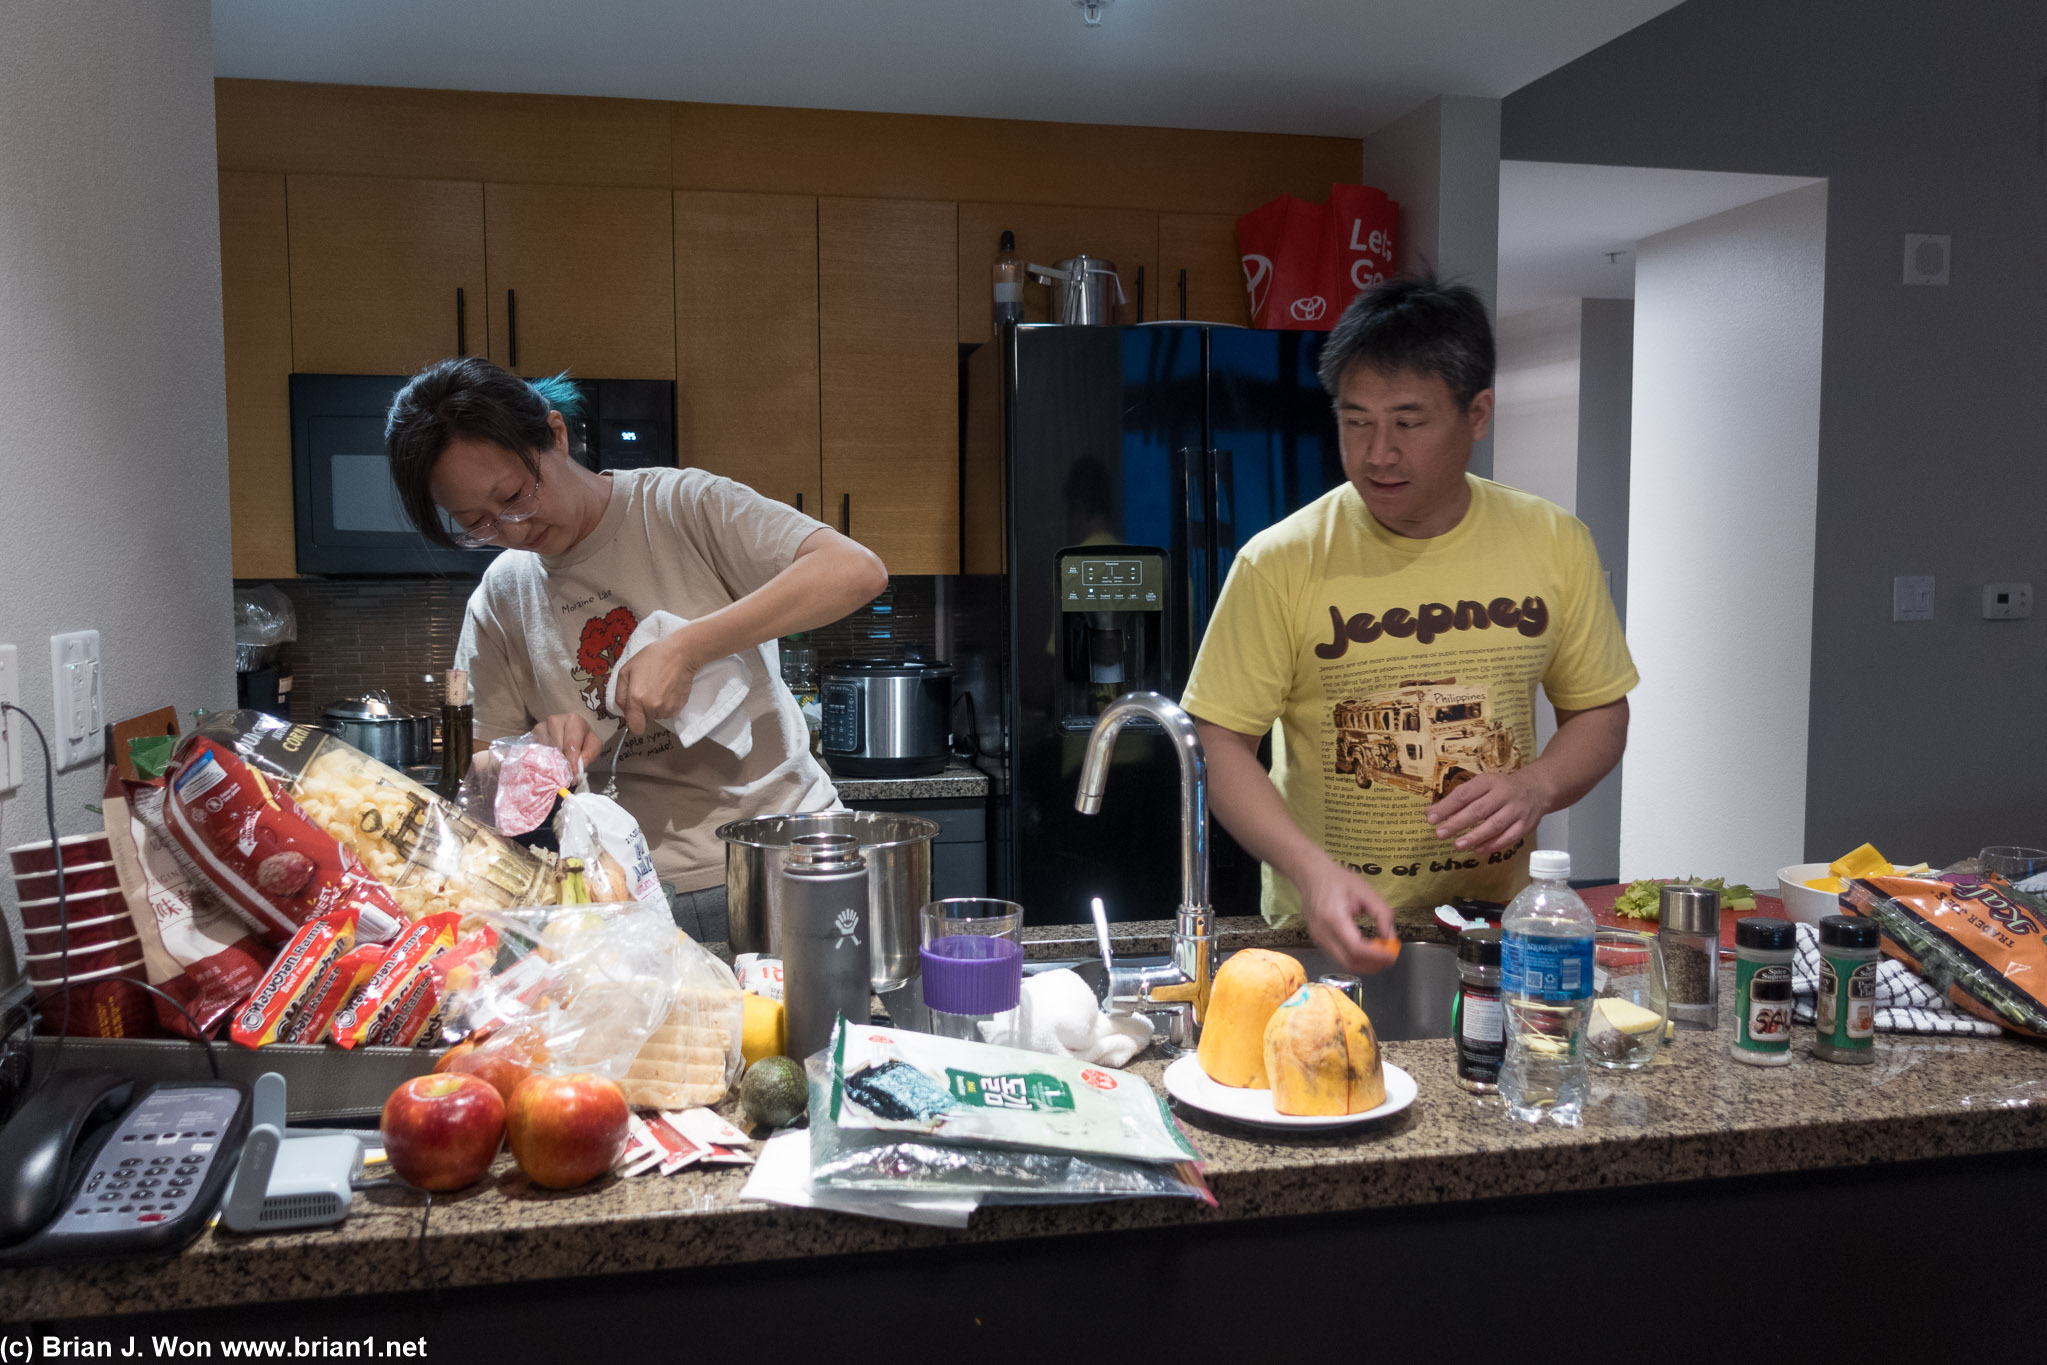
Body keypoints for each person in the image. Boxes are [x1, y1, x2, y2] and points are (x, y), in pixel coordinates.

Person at [1180, 277, 1637, 974]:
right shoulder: (1279, 561)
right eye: (1355, 420)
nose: (1376, 453)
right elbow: (1218, 740)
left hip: (1494, 932)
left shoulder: (1553, 542)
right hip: (1326, 933)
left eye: (1408, 421)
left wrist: (1537, 785)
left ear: (1476, 413)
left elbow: (1599, 711)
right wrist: (1309, 869)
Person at [384, 357, 888, 942]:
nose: (514, 529)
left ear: (555, 434)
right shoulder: (501, 595)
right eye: (477, 522)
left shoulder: (682, 506)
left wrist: (689, 648)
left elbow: (855, 570)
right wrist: (531, 752)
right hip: (627, 894)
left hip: (786, 861)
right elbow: (479, 771)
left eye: (517, 495)